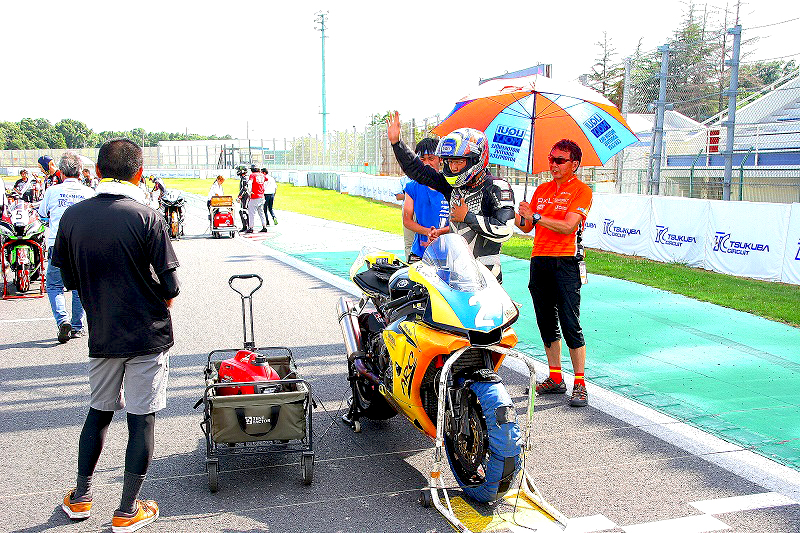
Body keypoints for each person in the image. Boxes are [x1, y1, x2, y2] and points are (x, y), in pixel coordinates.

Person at [53, 138, 180, 532]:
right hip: (147, 334)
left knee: (99, 412)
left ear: (98, 170)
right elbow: (172, 286)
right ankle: (127, 510)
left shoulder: (72, 217)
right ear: (138, 173)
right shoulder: (147, 216)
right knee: (141, 419)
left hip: (103, 334)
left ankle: (81, 496)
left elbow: (69, 279)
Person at [387, 112, 515, 281]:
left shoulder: (497, 187)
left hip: (487, 276)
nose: (453, 167)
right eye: (450, 161)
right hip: (455, 273)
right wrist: (397, 143)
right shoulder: (451, 185)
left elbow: (505, 230)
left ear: (476, 159)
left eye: (459, 161)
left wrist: (467, 217)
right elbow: (418, 171)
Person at [516, 139, 593, 408]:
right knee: (546, 322)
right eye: (551, 159)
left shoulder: (582, 190)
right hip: (539, 260)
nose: (553, 164)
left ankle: (580, 383)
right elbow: (526, 227)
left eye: (560, 160)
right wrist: (520, 214)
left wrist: (536, 217)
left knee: (570, 323)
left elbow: (568, 226)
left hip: (566, 262)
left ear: (574, 164)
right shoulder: (542, 189)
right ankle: (555, 377)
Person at [38, 152, 95, 343]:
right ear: (80, 172)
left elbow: (42, 214)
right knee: (79, 285)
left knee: (54, 284)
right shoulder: (89, 192)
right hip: (82, 244)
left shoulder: (52, 191)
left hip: (57, 242)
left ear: (61, 172)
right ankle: (77, 326)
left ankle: (62, 320)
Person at [402, 138, 449, 262]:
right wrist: (428, 232)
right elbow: (407, 220)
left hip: (448, 253)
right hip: (420, 252)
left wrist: (439, 232)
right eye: (422, 159)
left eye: (431, 158)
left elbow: (459, 221)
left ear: (440, 159)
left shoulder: (451, 186)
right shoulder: (412, 187)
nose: (427, 163)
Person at [246, 165, 267, 233]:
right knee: (261, 212)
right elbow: (266, 181)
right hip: (261, 196)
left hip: (255, 196)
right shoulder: (262, 175)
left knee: (251, 213)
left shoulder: (252, 175)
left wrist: (249, 191)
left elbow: (249, 183)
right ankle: (264, 226)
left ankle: (251, 227)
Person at [236, 166, 250, 232]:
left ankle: (247, 226)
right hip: (245, 196)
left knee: (244, 211)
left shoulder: (244, 178)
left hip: (245, 196)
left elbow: (244, 188)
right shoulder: (244, 177)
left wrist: (239, 196)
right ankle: (245, 226)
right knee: (242, 211)